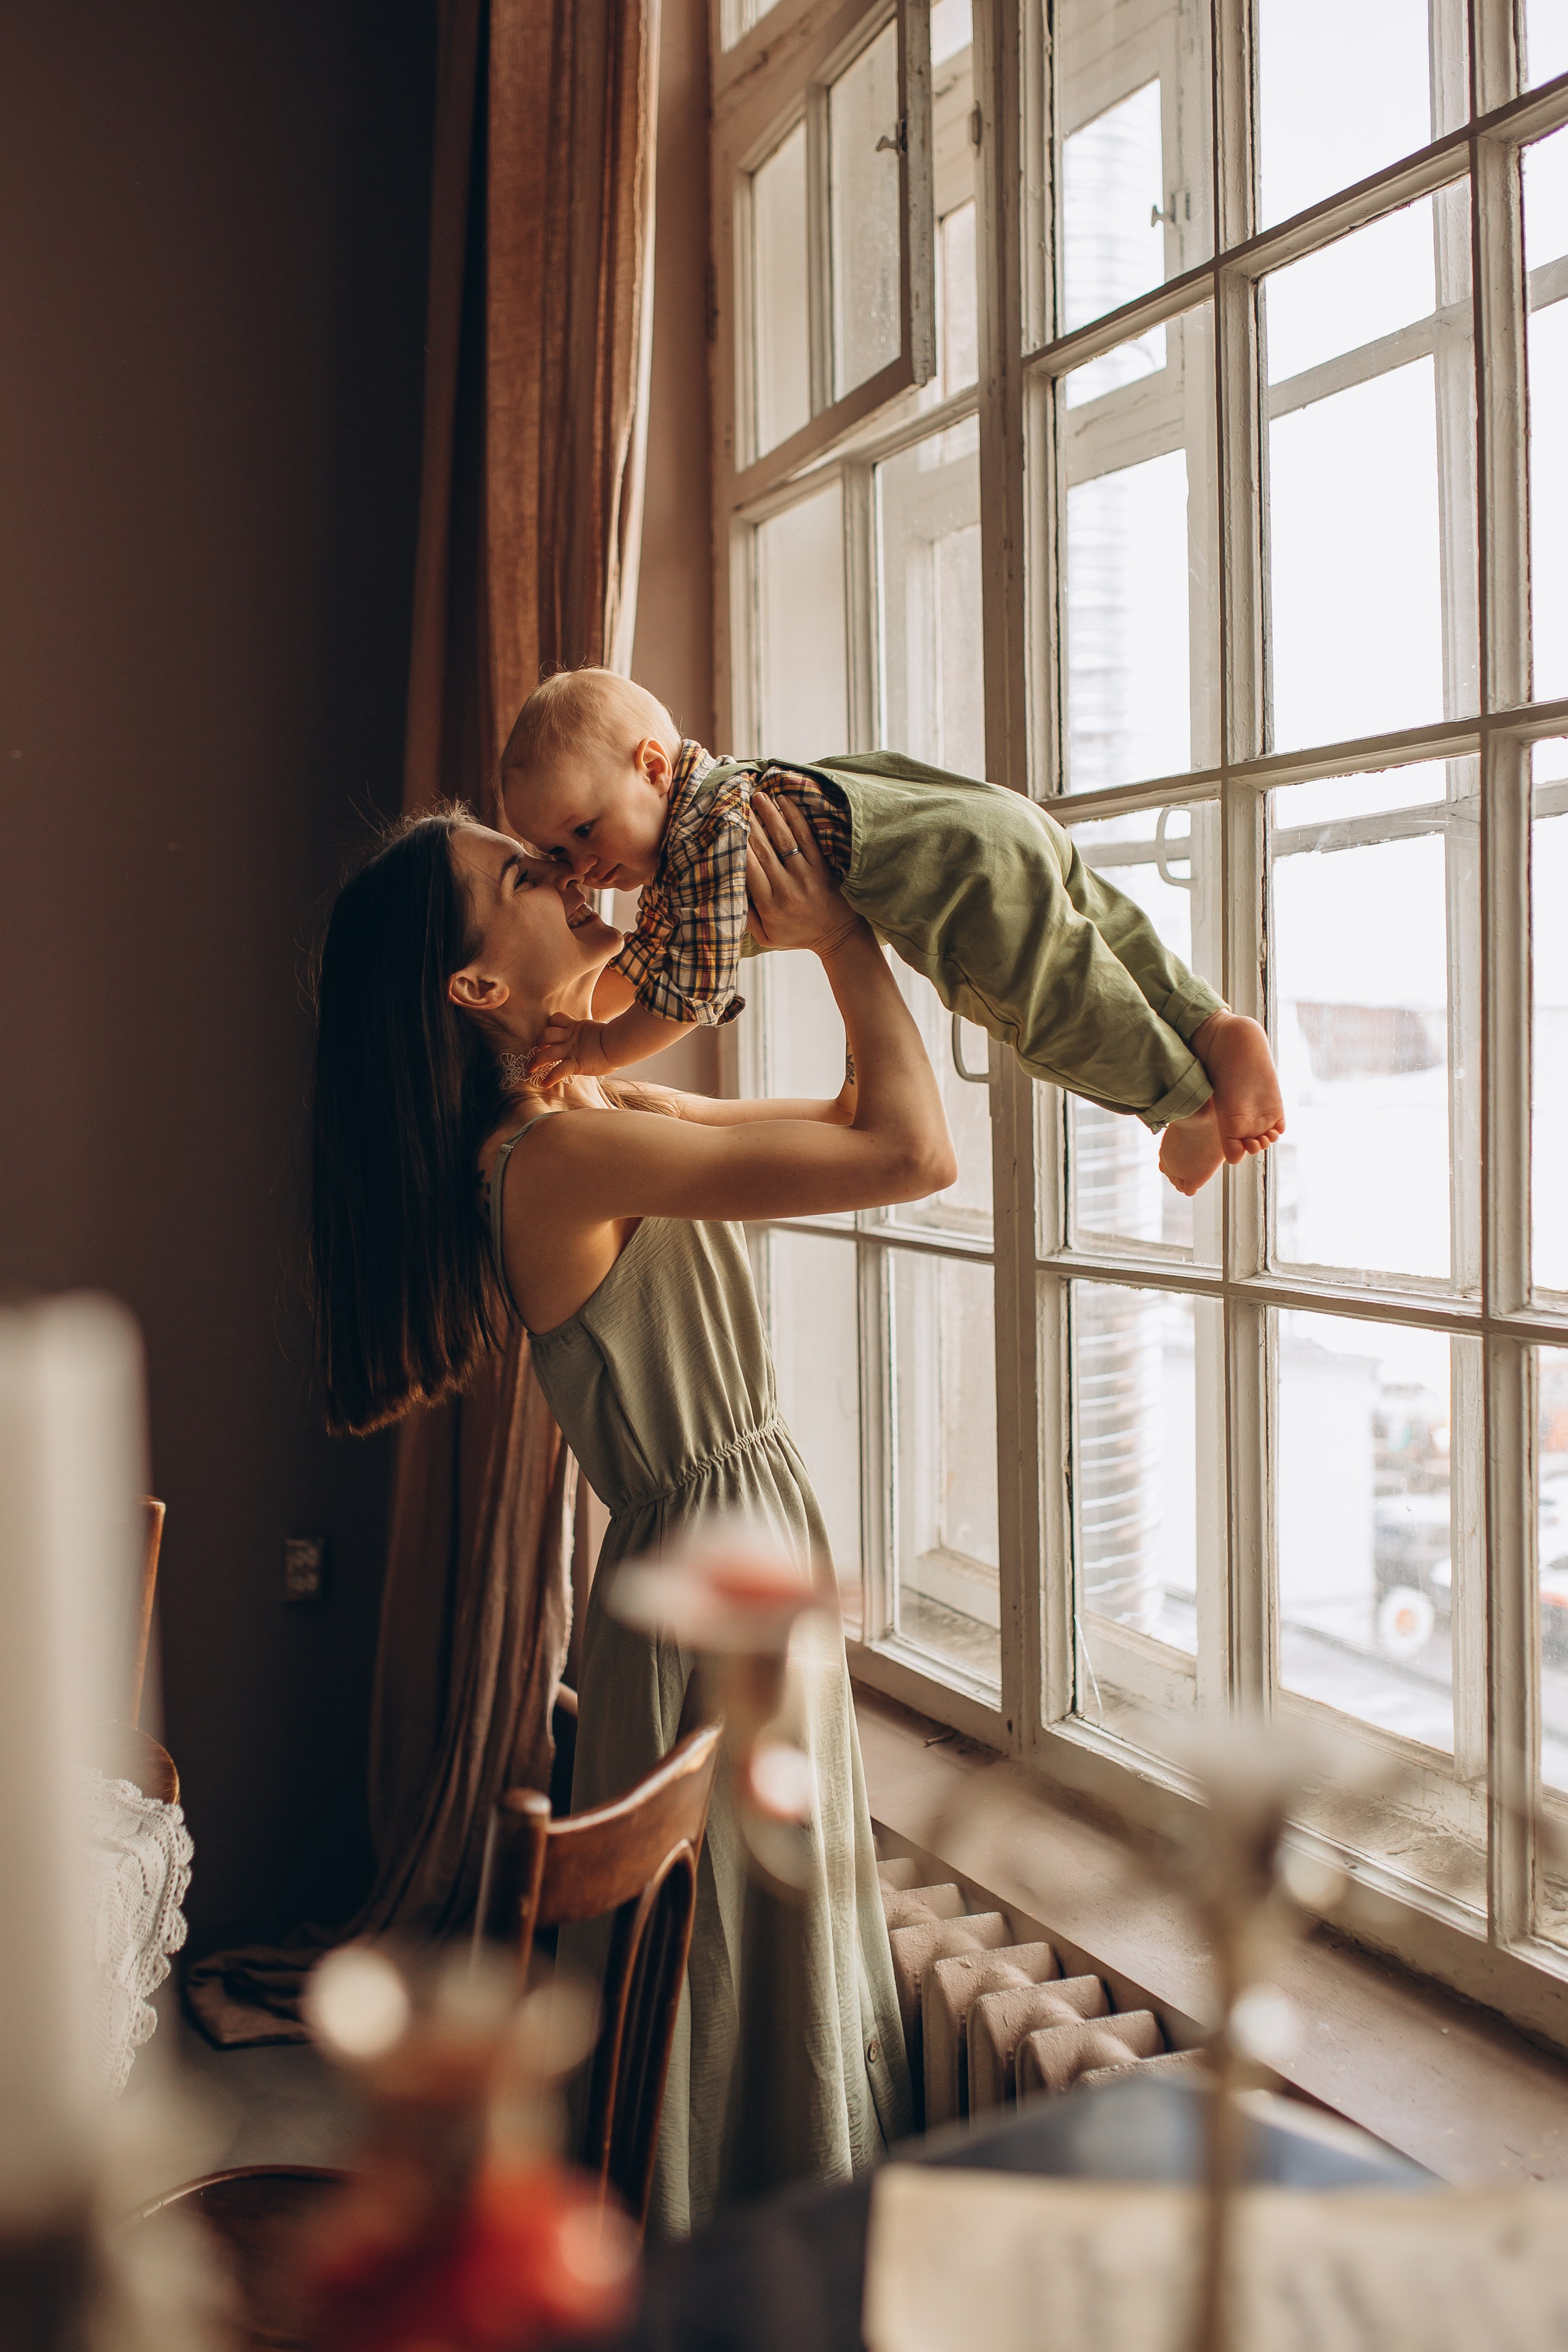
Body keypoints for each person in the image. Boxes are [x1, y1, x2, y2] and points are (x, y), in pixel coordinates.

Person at [308, 791, 952, 2238]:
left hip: (731, 1570)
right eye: (519, 874)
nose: (558, 874)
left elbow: (865, 1117)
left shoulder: (600, 1110)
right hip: (706, 1594)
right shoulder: (547, 1163)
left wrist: (737, 929)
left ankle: (771, 2275)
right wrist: (840, 936)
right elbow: (917, 1154)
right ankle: (734, 2283)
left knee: (771, 1965)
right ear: (477, 986)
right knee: (735, 1971)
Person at [499, 668, 1285, 1198]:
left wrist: (597, 1050)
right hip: (983, 817)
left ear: (652, 768)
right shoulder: (717, 803)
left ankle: (1179, 1103)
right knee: (1102, 936)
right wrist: (557, 1016)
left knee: (1055, 1004)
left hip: (961, 878)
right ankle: (1211, 1026)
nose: (578, 869)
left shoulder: (705, 845)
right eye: (555, 855)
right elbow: (653, 957)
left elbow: (688, 986)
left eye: (583, 831)